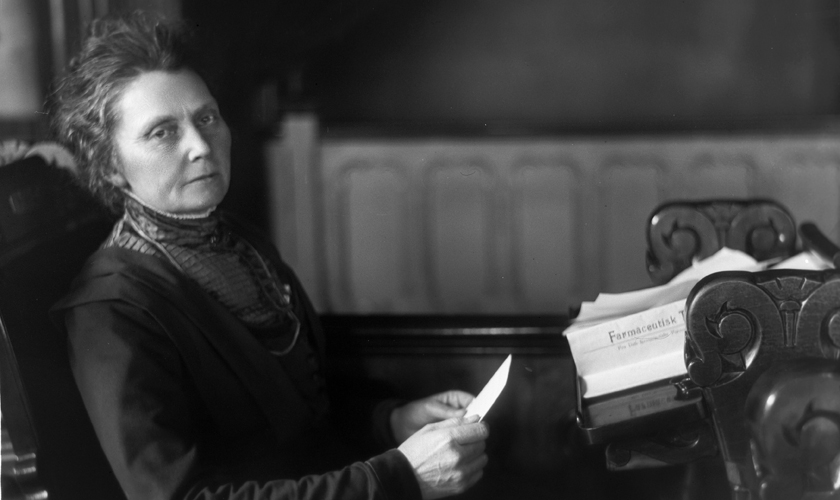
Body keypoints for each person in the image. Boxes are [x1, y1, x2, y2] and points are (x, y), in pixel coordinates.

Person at [49, 12, 489, 500]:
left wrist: (389, 420)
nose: (200, 145)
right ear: (111, 167)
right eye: (162, 132)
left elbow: (302, 409)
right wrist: (398, 477)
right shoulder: (111, 311)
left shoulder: (243, 244)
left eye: (207, 117)